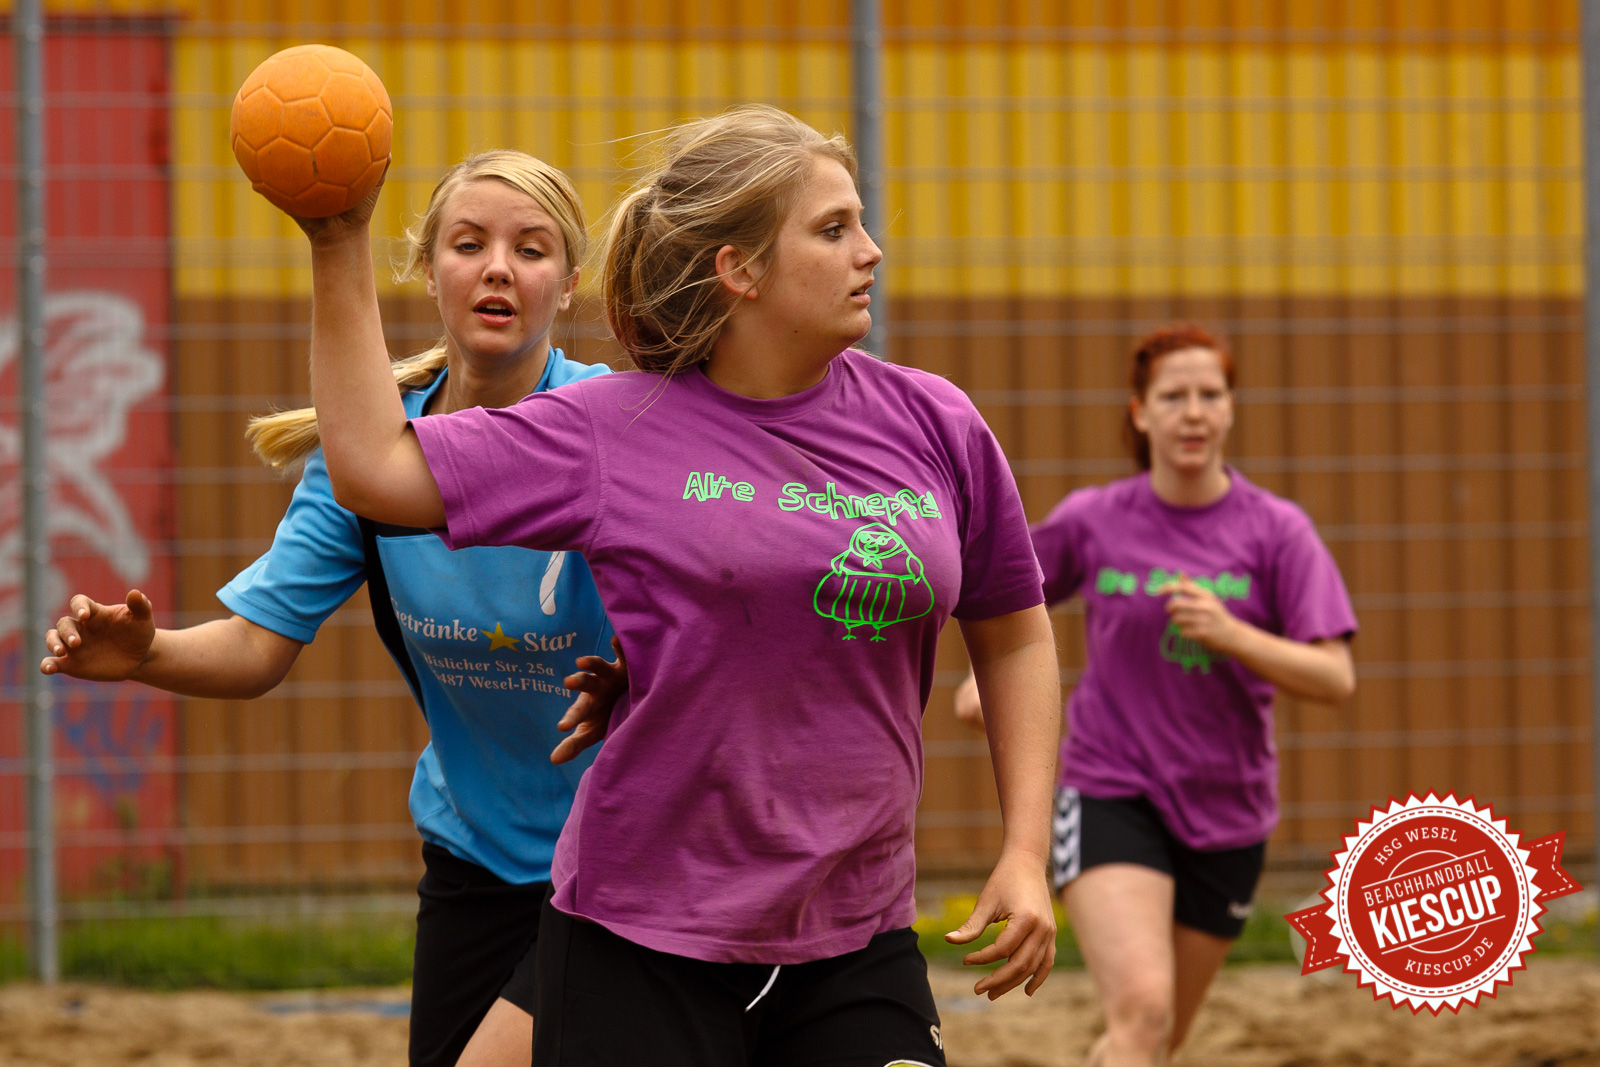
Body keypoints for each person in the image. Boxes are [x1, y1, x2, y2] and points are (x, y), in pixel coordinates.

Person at [293, 104, 1062, 1066]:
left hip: (854, 929)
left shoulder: (934, 419)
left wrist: (1025, 851)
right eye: (833, 229)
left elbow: (1016, 632)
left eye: (860, 223)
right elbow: (369, 467)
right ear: (740, 269)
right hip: (641, 934)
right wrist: (340, 238)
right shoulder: (609, 426)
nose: (871, 251)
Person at [39, 151, 624, 1067]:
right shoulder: (370, 452)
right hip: (474, 857)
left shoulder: (615, 427)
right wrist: (147, 655)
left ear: (571, 281)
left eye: (532, 248)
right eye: (469, 244)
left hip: (623, 855)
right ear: (427, 270)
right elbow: (255, 647)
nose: (499, 267)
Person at [956, 323, 1358, 1066]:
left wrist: (1233, 634)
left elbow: (1334, 676)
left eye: (1210, 394)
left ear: (1232, 409)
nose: (1194, 412)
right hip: (1113, 790)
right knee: (1143, 1008)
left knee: (1154, 1036)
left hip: (1229, 809)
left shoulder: (1278, 533)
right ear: (1141, 412)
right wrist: (980, 678)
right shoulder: (1095, 519)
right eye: (1174, 396)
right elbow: (1002, 598)